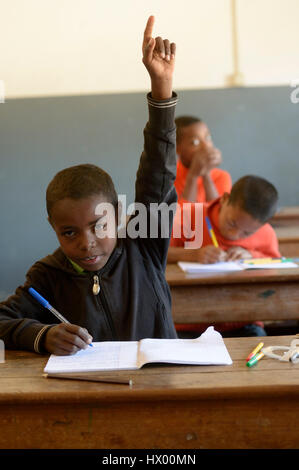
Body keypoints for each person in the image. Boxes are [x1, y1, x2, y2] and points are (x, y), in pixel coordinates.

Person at [0, 16, 179, 355]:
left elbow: (158, 174)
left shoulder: (144, 244)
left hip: (160, 388)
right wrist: (41, 335)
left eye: (100, 225)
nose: (87, 243)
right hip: (94, 401)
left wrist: (161, 90)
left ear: (119, 215)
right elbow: (2, 320)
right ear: (53, 228)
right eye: (69, 233)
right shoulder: (47, 276)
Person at [168, 175, 281, 337]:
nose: (235, 235)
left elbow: (277, 265)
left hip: (243, 322)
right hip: (189, 322)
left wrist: (252, 256)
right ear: (224, 199)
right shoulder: (190, 216)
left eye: (247, 233)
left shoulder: (266, 233)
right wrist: (193, 254)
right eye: (232, 223)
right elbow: (156, 256)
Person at [174, 116, 232, 203]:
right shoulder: (169, 178)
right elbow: (185, 215)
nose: (206, 146)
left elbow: (218, 215)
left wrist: (206, 174)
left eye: (208, 138)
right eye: (195, 142)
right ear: (177, 149)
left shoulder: (222, 177)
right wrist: (193, 176)